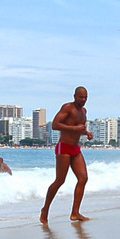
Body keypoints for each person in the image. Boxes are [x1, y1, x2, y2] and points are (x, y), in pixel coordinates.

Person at [41, 86, 94, 223]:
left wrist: (86, 133)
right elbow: (55, 125)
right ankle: (45, 209)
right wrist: (75, 128)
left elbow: (79, 128)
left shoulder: (83, 111)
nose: (83, 100)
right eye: (81, 97)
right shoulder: (67, 108)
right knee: (60, 180)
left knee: (83, 178)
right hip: (63, 148)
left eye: (85, 97)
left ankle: (75, 213)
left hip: (75, 148)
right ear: (74, 96)